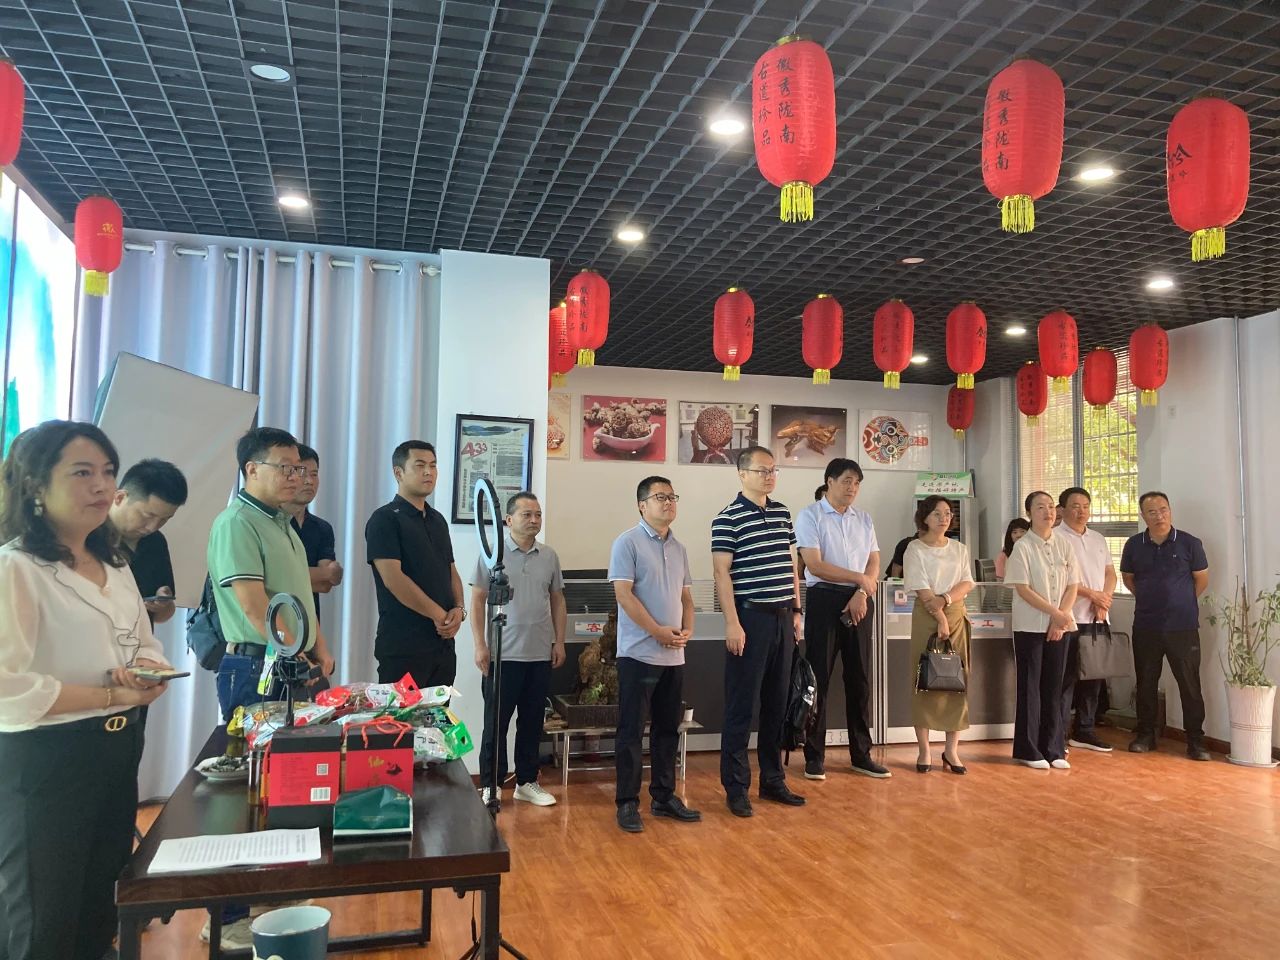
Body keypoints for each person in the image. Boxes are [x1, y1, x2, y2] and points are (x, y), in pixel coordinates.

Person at [0, 421, 171, 960]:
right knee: (43, 918)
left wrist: (148, 673)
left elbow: (144, 643)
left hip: (116, 750)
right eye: (81, 473)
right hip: (46, 760)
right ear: (35, 485)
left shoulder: (114, 564)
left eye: (108, 471)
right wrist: (110, 697)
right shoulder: (16, 567)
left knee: (99, 909)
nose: (101, 485)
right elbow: (7, 689)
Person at [204, 426, 333, 950]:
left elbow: (297, 597)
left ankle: (273, 897)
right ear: (251, 469)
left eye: (300, 468)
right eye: (286, 467)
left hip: (291, 666)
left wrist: (320, 646)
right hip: (256, 667)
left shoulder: (283, 524)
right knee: (247, 797)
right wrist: (295, 649)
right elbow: (256, 606)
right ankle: (228, 915)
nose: (296, 477)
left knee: (289, 789)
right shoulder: (237, 522)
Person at [711, 445, 805, 817]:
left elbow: (791, 565)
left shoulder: (782, 512)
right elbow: (722, 574)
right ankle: (736, 787)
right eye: (762, 470)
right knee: (741, 706)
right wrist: (732, 622)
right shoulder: (727, 518)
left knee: (776, 704)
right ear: (742, 474)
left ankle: (772, 779)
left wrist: (797, 610)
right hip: (749, 619)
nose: (769, 477)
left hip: (783, 618)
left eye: (773, 470)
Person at [609, 476, 700, 832]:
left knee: (667, 730)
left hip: (673, 656)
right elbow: (624, 595)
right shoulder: (627, 542)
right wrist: (657, 631)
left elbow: (686, 598)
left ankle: (663, 796)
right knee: (631, 731)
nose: (668, 502)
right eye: (660, 497)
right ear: (642, 505)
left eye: (672, 496)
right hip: (638, 655)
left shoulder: (679, 548)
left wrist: (687, 629)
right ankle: (627, 803)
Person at [470, 492, 565, 809]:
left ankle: (526, 782)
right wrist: (480, 645)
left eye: (538, 514)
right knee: (495, 725)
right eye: (527, 514)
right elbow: (477, 600)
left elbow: (558, 600)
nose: (534, 520)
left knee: (532, 723)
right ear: (508, 520)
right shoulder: (491, 554)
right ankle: (491, 785)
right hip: (502, 656)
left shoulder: (549, 556)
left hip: (538, 655)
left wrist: (559, 641)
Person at [795, 458, 888, 781]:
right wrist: (859, 579)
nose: (852, 488)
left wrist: (862, 591)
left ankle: (861, 755)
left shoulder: (863, 519)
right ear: (830, 481)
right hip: (825, 599)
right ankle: (814, 756)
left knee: (859, 679)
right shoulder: (810, 515)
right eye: (847, 481)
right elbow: (815, 565)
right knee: (818, 678)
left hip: (859, 601)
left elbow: (874, 561)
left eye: (857, 483)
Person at [366, 441, 465, 686]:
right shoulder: (384, 519)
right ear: (398, 473)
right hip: (403, 647)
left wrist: (459, 609)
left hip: (442, 647)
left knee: (439, 712)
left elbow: (451, 569)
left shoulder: (437, 520)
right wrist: (440, 616)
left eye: (433, 465)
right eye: (420, 466)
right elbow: (394, 579)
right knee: (402, 713)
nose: (428, 472)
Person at [1120, 492, 1210, 760]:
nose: (1159, 515)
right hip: (1146, 625)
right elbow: (1128, 578)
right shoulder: (1134, 545)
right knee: (1146, 682)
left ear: (1170, 510)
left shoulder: (1189, 543)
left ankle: (1196, 741)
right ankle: (1145, 735)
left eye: (1163, 509)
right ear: (1143, 516)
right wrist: (1151, 600)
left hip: (1182, 626)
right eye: (1152, 512)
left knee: (1190, 685)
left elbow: (1201, 580)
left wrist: (1180, 601)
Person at [1004, 490, 1079, 770]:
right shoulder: (1023, 547)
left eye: (1050, 507)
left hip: (1060, 626)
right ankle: (1028, 749)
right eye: (1040, 507)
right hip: (1030, 626)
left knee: (1054, 687)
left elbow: (1072, 585)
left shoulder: (1064, 544)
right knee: (1030, 688)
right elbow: (1023, 589)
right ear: (1029, 513)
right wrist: (1055, 614)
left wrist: (1061, 619)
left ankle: (1054, 748)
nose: (1048, 512)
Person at [902, 495, 975, 774]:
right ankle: (924, 750)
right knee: (924, 679)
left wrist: (945, 601)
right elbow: (922, 589)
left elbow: (967, 581)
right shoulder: (915, 548)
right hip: (927, 616)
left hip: (955, 614)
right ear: (924, 517)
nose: (944, 518)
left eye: (947, 513)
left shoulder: (959, 548)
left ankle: (951, 750)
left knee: (956, 682)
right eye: (937, 513)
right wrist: (940, 617)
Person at [1057, 487, 1116, 754]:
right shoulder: (1056, 538)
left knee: (1094, 677)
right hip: (1069, 617)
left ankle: (1085, 730)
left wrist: (1104, 600)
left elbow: (1110, 573)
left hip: (1097, 618)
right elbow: (1062, 579)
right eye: (1075, 506)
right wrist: (1093, 595)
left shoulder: (1098, 538)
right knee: (1066, 679)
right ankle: (1058, 734)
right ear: (1062, 510)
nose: (1081, 511)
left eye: (1085, 506)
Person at [109, 457, 188, 625]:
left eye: (164, 519)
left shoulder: (156, 541)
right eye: (147, 515)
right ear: (120, 498)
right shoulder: (87, 536)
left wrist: (162, 605)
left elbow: (164, 615)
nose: (153, 527)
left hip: (140, 639)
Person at [285, 444, 343, 622]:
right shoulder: (272, 523)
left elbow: (325, 585)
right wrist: (325, 572)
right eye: (302, 473)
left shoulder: (322, 528)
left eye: (314, 474)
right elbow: (275, 578)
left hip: (309, 624)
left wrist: (322, 576)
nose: (309, 481)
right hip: (275, 621)